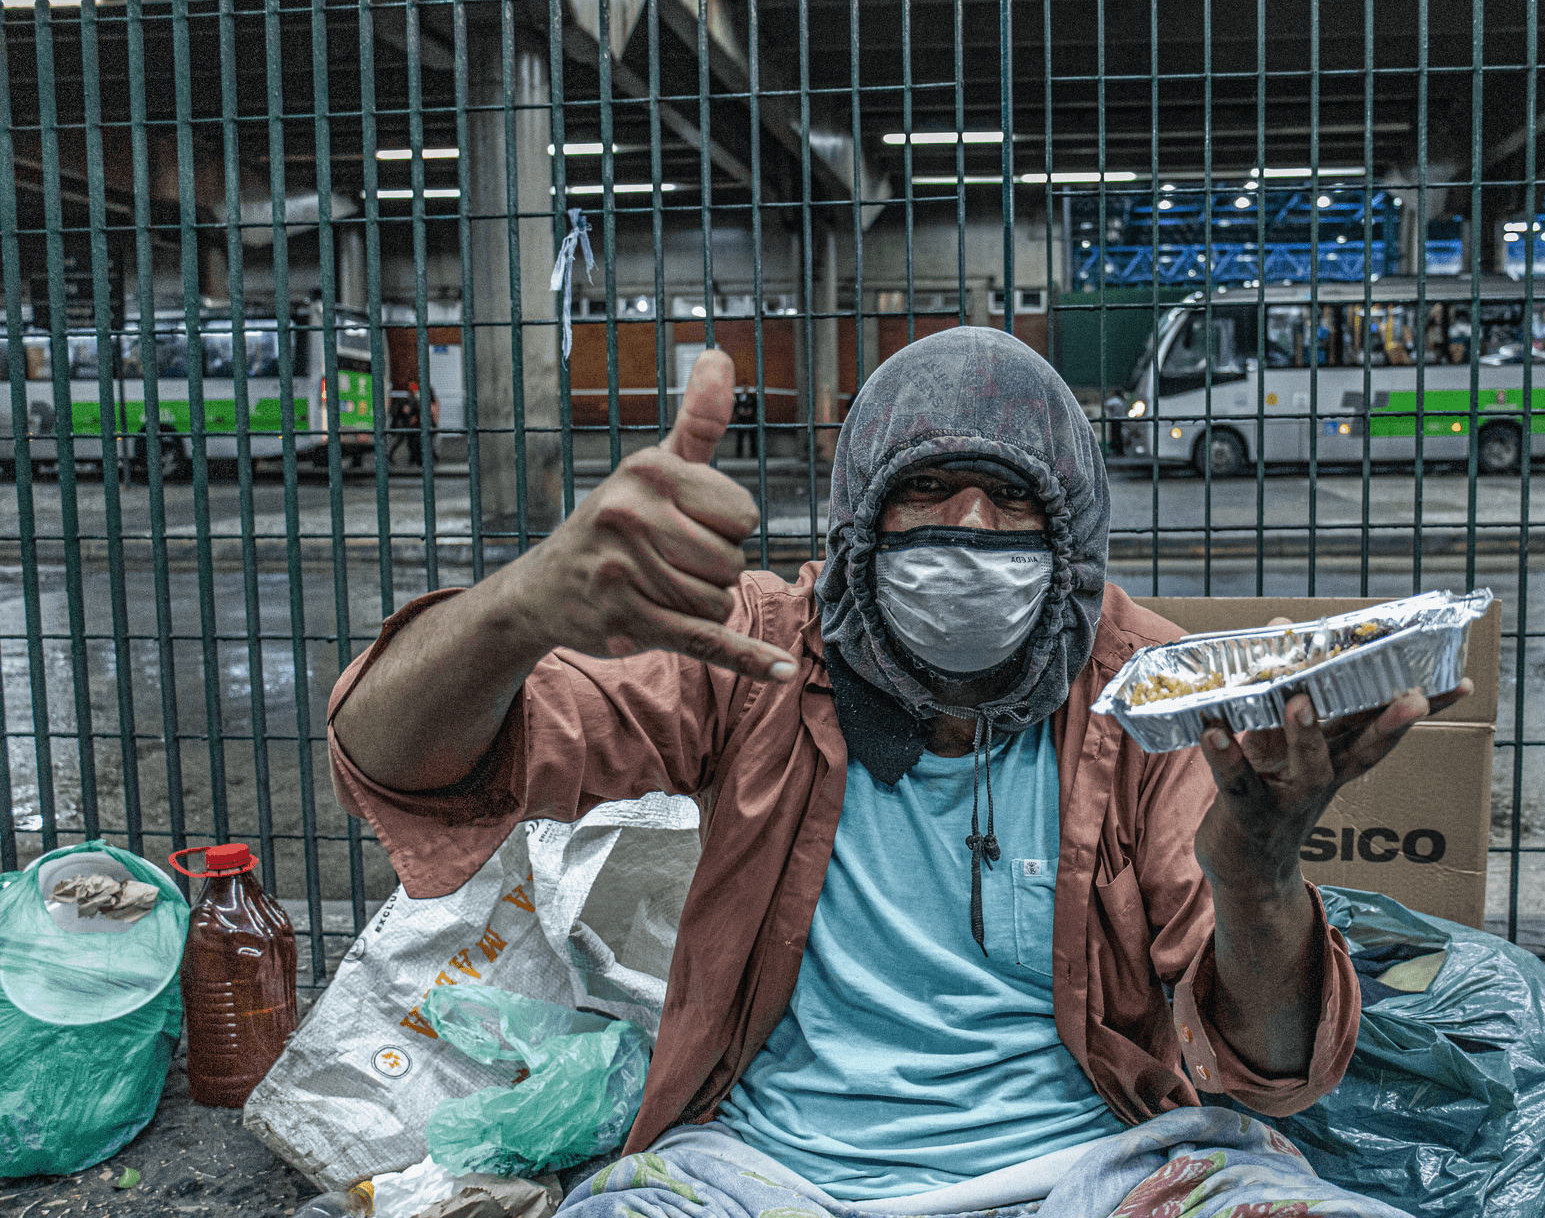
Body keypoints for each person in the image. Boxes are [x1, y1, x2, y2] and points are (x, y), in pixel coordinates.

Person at [328, 328, 1469, 1217]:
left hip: (1104, 1168)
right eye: (928, 489)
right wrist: (520, 607)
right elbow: (401, 759)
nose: (968, 526)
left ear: (1072, 532)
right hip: (766, 1173)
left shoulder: (1151, 696)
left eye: (1011, 496)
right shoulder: (757, 650)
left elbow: (1272, 1068)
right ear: (859, 519)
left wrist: (1261, 869)